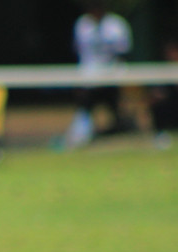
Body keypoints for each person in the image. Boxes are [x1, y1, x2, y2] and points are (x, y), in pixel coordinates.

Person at [65, 0, 133, 147]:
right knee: (85, 109)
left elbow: (123, 53)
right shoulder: (82, 24)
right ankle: (81, 137)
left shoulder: (116, 25)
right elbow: (78, 53)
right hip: (89, 79)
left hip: (113, 78)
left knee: (118, 110)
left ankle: (124, 133)